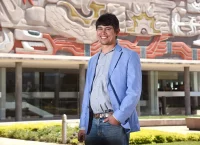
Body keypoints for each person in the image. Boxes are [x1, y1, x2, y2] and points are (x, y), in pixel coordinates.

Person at [78, 13, 142, 145]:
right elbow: (87, 95)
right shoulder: (92, 60)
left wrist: (118, 117)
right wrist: (83, 125)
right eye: (100, 29)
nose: (103, 33)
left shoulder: (129, 56)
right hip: (92, 124)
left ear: (117, 31)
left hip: (114, 124)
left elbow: (134, 91)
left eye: (108, 28)